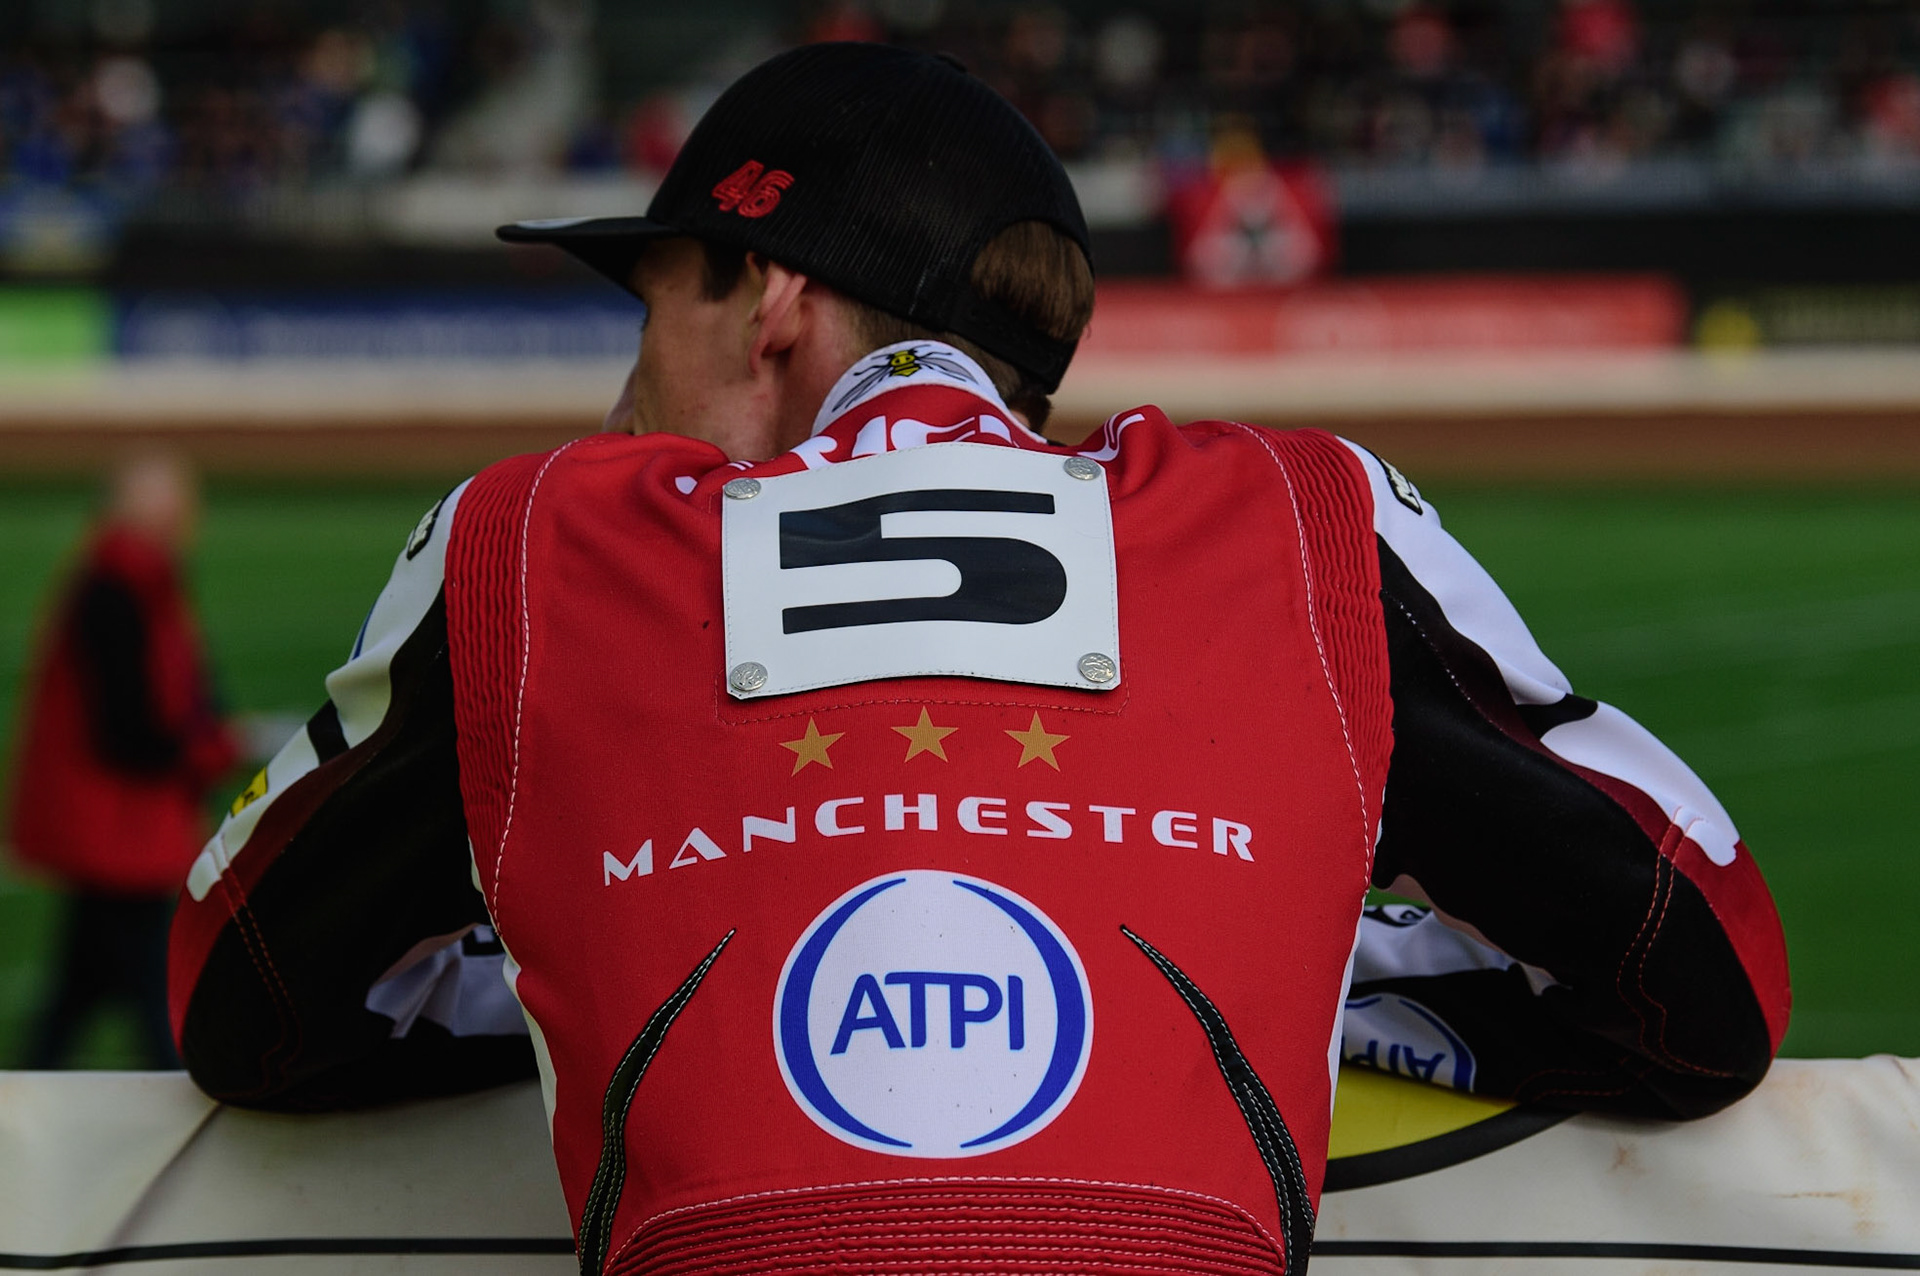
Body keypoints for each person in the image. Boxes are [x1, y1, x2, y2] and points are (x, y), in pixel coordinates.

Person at [168, 43, 1789, 1276]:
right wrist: (1325, 983)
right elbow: (1704, 977)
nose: (623, 394)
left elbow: (247, 1005)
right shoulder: (1301, 520)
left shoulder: (540, 541)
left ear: (772, 297)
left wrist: (585, 950)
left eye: (652, 304)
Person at [10, 453, 237, 1070]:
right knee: (156, 1000)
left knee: (83, 992)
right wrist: (206, 750)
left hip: (113, 824)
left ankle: (25, 1109)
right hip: (118, 827)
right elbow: (130, 728)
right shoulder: (119, 588)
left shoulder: (132, 579)